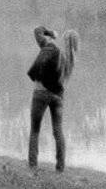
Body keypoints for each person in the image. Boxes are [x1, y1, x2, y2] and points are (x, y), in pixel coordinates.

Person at [27, 25, 78, 171]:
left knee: (35, 130)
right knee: (58, 131)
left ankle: (33, 165)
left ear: (63, 39)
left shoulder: (50, 48)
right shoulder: (71, 61)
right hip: (58, 97)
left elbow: (37, 30)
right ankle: (60, 167)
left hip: (41, 93)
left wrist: (50, 33)